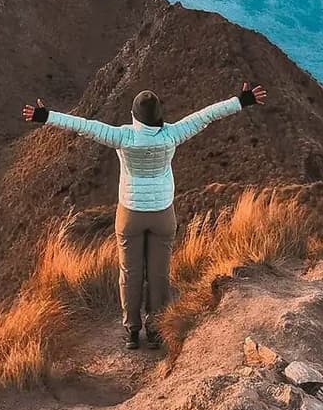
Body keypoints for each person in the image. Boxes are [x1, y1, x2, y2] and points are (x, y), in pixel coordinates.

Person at [22, 81, 267, 349]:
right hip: (162, 213)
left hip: (130, 214)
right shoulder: (172, 135)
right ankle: (156, 328)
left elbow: (84, 126)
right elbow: (207, 115)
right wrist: (242, 101)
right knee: (159, 274)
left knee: (130, 272)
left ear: (134, 116)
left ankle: (131, 331)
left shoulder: (122, 137)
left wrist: (45, 116)